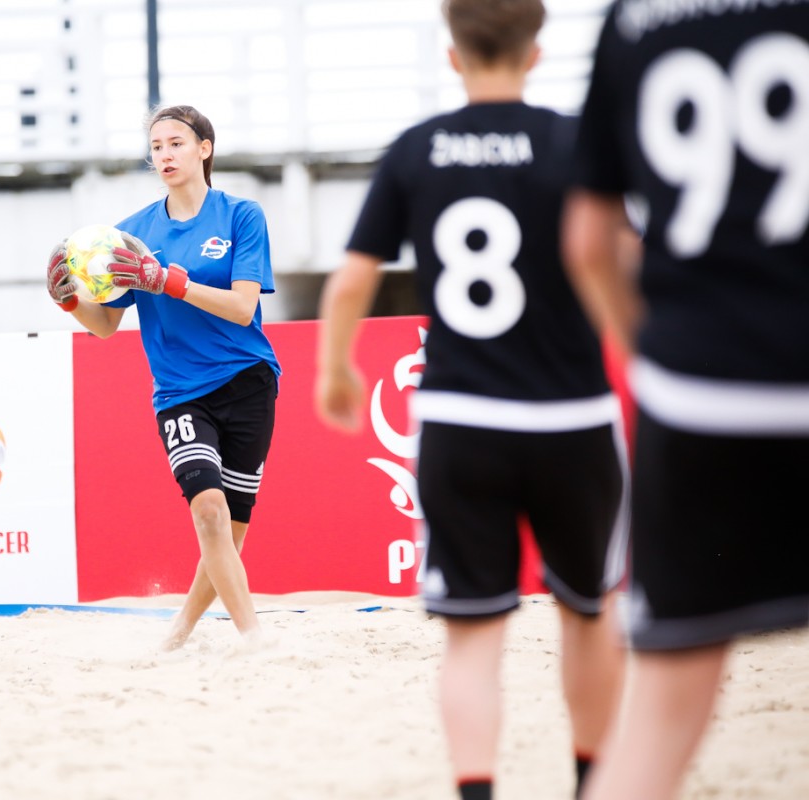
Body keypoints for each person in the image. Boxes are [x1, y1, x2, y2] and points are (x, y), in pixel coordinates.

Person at [315, 2, 628, 798]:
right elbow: (612, 256)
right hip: (570, 414)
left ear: (452, 55)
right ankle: (591, 783)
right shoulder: (573, 140)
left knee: (473, 637)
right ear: (537, 53)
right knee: (589, 613)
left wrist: (335, 371)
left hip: (461, 419)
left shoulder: (417, 147)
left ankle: (477, 792)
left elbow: (350, 281)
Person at [563, 3, 809, 798]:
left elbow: (589, 241)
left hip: (699, 391)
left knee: (660, 722)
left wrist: (652, 359)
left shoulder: (634, 19)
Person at [46, 104, 281, 651]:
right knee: (208, 510)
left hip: (248, 381)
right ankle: (254, 637)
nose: (165, 155)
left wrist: (169, 281)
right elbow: (106, 326)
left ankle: (179, 630)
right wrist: (69, 301)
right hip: (180, 393)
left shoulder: (241, 216)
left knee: (231, 530)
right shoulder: (131, 235)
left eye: (176, 143)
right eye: (156, 147)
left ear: (204, 149)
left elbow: (243, 308)